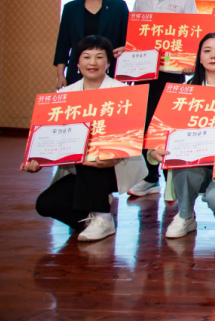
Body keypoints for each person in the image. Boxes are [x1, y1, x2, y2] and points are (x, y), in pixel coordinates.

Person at [25, 36, 147, 242]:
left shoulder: (124, 93)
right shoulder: (65, 94)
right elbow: (52, 137)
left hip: (115, 167)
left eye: (99, 57)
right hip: (79, 170)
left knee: (90, 154)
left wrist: (115, 157)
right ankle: (93, 214)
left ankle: (104, 218)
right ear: (77, 63)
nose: (93, 62)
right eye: (86, 57)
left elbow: (130, 137)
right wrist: (38, 160)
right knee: (45, 204)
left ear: (108, 63)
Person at [148, 32, 215, 238]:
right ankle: (185, 216)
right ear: (199, 57)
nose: (213, 55)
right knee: (183, 165)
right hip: (194, 163)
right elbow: (163, 132)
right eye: (207, 51)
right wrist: (155, 150)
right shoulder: (183, 91)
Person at [128, 0, 200, 198]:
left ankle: (172, 178)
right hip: (144, 72)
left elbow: (192, 35)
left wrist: (189, 63)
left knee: (169, 124)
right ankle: (150, 178)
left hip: (172, 72)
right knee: (146, 123)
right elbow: (136, 34)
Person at [54, 0, 129, 89]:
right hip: (77, 71)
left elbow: (127, 40)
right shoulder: (70, 8)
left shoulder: (118, 6)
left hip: (111, 69)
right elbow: (63, 44)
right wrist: (60, 75)